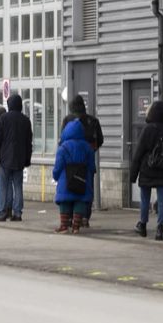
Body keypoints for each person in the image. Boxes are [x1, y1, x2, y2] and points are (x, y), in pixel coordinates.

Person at [130, 101, 163, 241]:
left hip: (147, 170)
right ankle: (160, 228)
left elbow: (138, 153)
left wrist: (133, 174)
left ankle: (143, 225)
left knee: (145, 198)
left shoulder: (147, 129)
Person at [61, 95, 104, 227]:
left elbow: (62, 140)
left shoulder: (67, 120)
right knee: (87, 189)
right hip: (87, 161)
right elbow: (100, 140)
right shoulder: (93, 121)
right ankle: (85, 217)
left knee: (70, 188)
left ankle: (70, 217)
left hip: (69, 164)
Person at [0, 94, 32, 222]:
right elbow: (28, 142)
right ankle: (18, 213)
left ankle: (2, 212)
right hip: (20, 159)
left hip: (5, 158)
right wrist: (27, 158)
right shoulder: (26, 120)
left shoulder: (4, 118)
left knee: (3, 186)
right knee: (18, 186)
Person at [52, 119, 96, 234]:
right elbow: (92, 166)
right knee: (80, 201)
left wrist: (55, 176)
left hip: (65, 180)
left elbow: (58, 166)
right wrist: (90, 175)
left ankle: (64, 226)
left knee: (65, 201)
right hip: (82, 179)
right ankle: (76, 227)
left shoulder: (63, 148)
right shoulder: (88, 148)